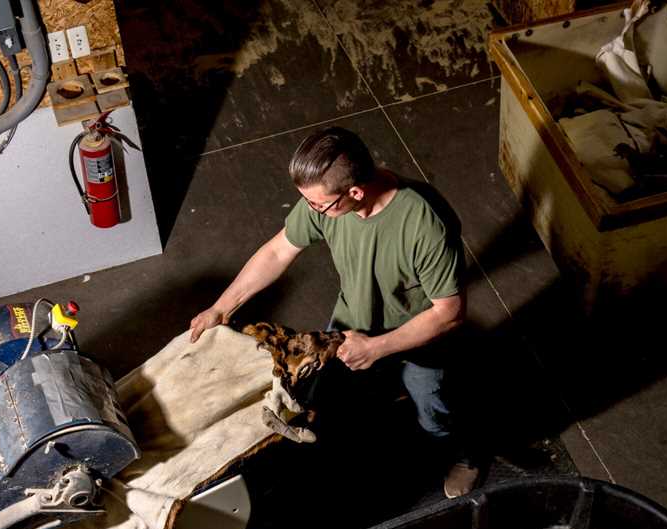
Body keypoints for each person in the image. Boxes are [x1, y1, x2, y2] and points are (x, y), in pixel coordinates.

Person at [188, 127, 479, 498]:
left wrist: (376, 348)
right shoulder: (326, 200)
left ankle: (465, 457)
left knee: (434, 411)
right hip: (352, 324)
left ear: (354, 193)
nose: (311, 211)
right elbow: (278, 251)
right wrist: (221, 307)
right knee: (329, 395)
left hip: (420, 337)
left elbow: (449, 313)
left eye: (316, 205)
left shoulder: (425, 224)